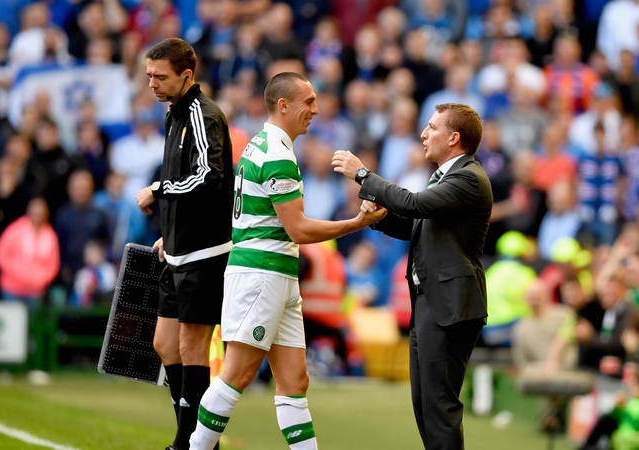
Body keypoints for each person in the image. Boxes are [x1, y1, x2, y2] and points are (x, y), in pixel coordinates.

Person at [188, 72, 386, 450]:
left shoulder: (260, 145)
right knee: (237, 374)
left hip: (277, 274)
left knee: (295, 381)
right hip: (262, 275)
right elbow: (298, 229)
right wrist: (357, 223)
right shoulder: (277, 155)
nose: (316, 109)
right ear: (284, 105)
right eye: (308, 102)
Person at [332, 102, 493, 450]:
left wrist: (364, 176)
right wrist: (382, 216)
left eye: (432, 127)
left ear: (454, 138)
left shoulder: (468, 178)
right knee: (424, 404)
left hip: (449, 306)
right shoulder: (447, 177)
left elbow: (416, 204)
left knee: (439, 407)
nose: (423, 134)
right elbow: (415, 224)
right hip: (431, 303)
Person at [134, 38, 234, 450]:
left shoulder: (201, 113)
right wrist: (169, 231)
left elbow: (209, 175)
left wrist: (157, 189)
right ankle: (194, 438)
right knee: (164, 344)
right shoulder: (174, 113)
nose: (152, 84)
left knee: (192, 346)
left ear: (187, 76)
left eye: (160, 77)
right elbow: (189, 185)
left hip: (205, 254)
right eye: (148, 76)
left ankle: (188, 444)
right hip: (178, 249)